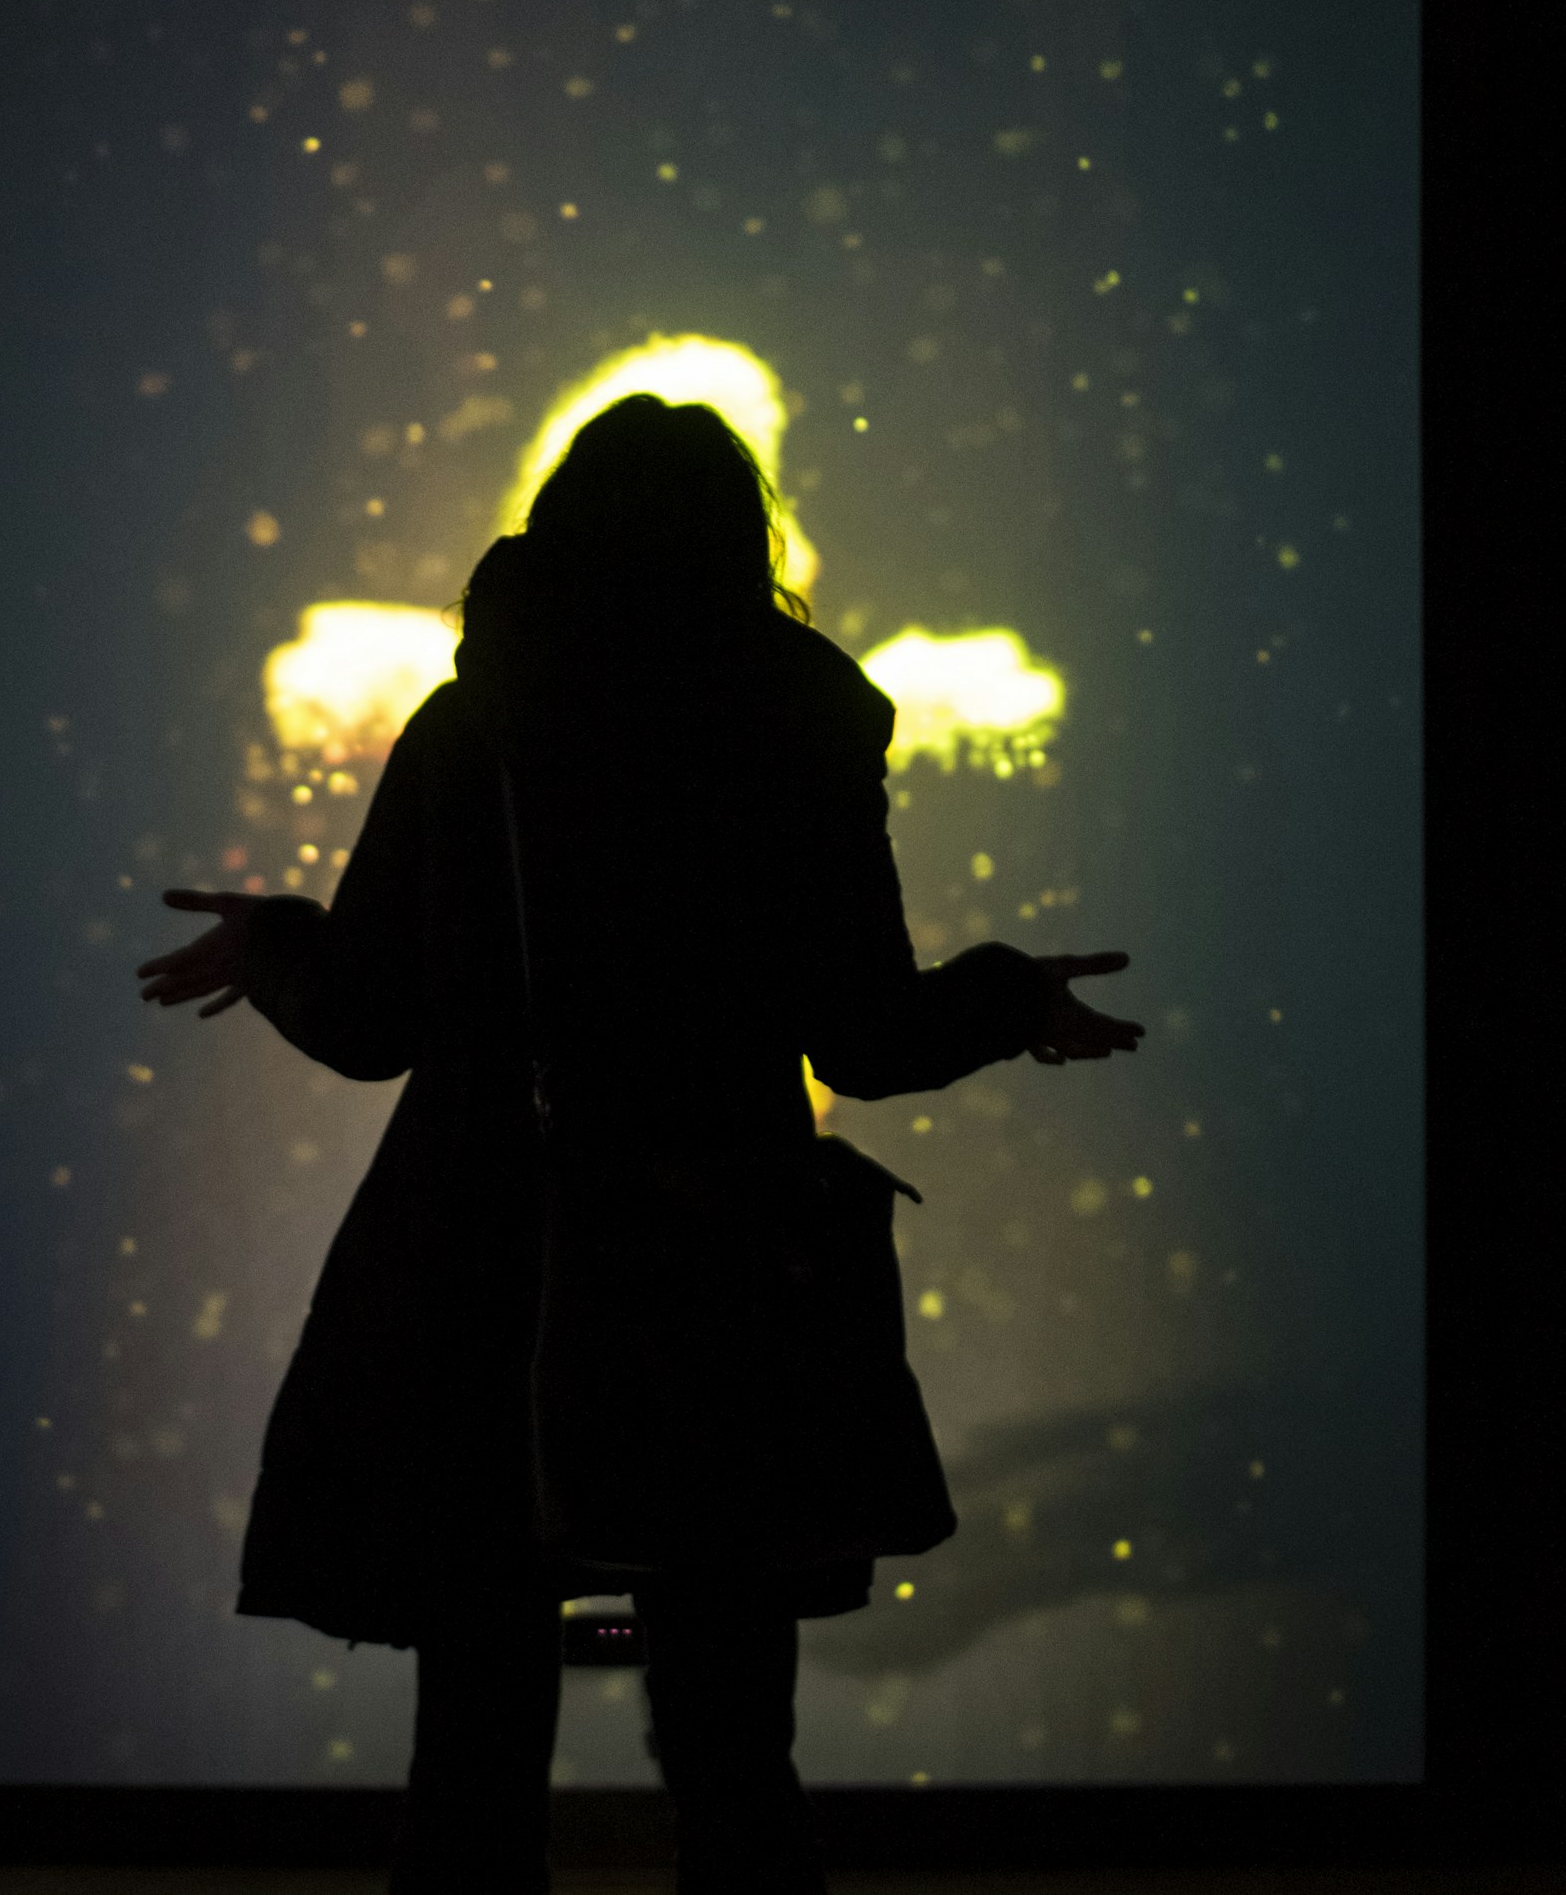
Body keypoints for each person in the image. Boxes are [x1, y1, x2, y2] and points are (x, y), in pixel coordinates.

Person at [136, 394, 1145, 1893]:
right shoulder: (801, 714)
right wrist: (1013, 1001)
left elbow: (368, 1023)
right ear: (746, 534)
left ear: (557, 524)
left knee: (475, 1733)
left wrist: (274, 943)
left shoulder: (474, 719)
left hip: (487, 1255)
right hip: (721, 1256)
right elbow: (864, 1039)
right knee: (735, 1732)